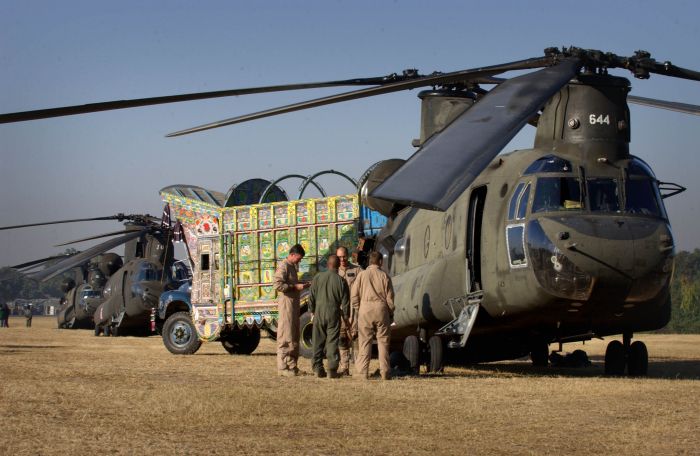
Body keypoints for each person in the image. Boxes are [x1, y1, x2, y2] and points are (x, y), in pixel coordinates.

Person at [352, 251, 395, 380]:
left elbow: (354, 295)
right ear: (380, 261)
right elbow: (390, 299)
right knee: (383, 342)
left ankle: (362, 372)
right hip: (381, 309)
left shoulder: (361, 275)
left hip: (365, 308)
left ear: (370, 261)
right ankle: (385, 371)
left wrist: (358, 308)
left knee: (365, 341)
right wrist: (390, 312)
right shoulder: (385, 276)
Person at [308, 254, 350, 378]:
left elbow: (311, 296)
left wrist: (312, 310)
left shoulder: (318, 277)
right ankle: (332, 369)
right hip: (333, 313)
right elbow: (345, 303)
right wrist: (346, 318)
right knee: (332, 341)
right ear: (338, 266)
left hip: (319, 313)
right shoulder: (341, 281)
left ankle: (317, 368)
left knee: (317, 341)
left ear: (328, 264)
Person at [273, 244, 310, 377]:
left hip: (293, 305)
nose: (299, 261)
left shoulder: (292, 266)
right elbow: (277, 284)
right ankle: (283, 367)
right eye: (298, 258)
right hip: (286, 306)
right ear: (292, 254)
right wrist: (295, 287)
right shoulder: (284, 266)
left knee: (293, 335)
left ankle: (292, 365)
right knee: (285, 336)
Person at [336, 246, 361, 375]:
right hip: (340, 312)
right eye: (339, 257)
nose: (342, 259)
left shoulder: (357, 270)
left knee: (356, 338)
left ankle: (358, 369)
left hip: (354, 311)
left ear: (348, 256)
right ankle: (344, 367)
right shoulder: (334, 272)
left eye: (344, 256)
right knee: (342, 339)